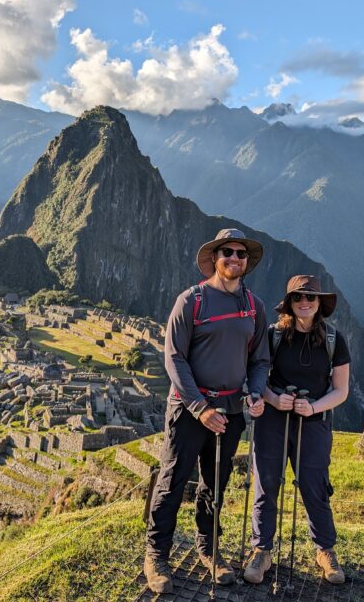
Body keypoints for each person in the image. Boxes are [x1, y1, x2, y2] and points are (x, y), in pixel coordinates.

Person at [144, 228, 269, 594]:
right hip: (189, 409)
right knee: (172, 481)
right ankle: (156, 554)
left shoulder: (254, 307)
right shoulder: (192, 301)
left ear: (247, 262)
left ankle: (208, 548)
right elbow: (174, 358)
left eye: (240, 254)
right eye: (227, 252)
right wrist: (199, 407)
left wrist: (256, 393)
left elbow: (260, 359)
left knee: (216, 483)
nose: (234, 258)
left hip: (230, 410)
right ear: (215, 258)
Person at [243, 274, 350, 585]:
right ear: (289, 303)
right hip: (274, 420)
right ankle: (262, 551)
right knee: (267, 482)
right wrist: (275, 399)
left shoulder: (334, 340)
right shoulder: (274, 335)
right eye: (298, 298)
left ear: (319, 304)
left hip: (314, 422)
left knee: (315, 485)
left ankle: (325, 550)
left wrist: (313, 407)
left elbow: (340, 390)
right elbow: (256, 376)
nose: (305, 303)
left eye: (311, 298)